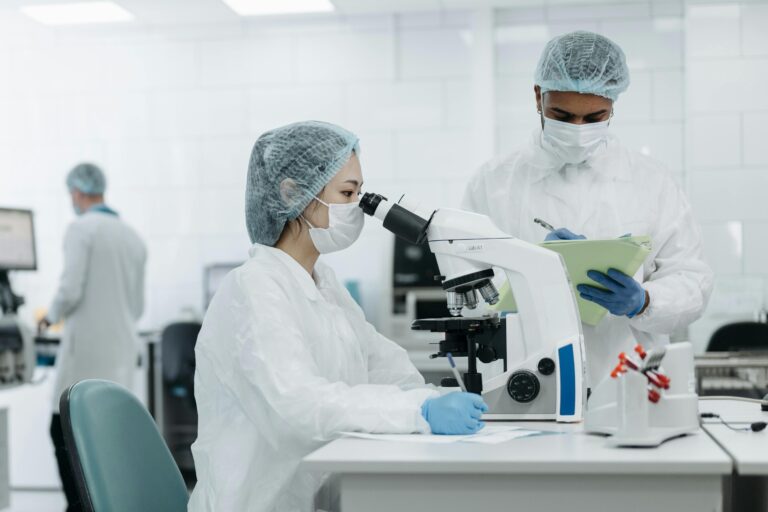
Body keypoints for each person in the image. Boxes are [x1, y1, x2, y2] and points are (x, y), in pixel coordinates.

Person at [189, 121, 487, 512]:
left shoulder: (322, 283)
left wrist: (433, 398)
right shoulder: (253, 289)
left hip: (320, 495)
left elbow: (384, 366)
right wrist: (418, 412)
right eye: (347, 193)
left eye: (359, 193)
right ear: (293, 193)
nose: (358, 207)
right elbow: (299, 405)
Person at [462, 31, 713, 385]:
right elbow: (465, 286)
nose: (578, 130)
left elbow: (693, 282)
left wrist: (643, 301)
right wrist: (532, 273)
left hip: (630, 377)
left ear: (612, 105)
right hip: (525, 375)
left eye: (594, 118)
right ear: (538, 96)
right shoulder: (493, 182)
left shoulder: (650, 180)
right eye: (562, 115)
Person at [40, 163, 147, 512]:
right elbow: (137, 305)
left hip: (85, 351)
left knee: (62, 431)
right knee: (106, 438)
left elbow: (70, 289)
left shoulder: (81, 229)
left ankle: (79, 507)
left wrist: (48, 319)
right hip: (120, 352)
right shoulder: (131, 237)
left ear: (76, 192)